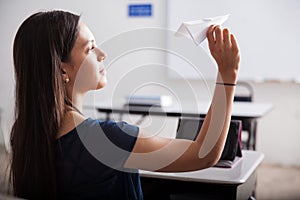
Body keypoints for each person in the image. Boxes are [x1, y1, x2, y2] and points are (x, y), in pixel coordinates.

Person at [9, 10, 240, 200]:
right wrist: (227, 73)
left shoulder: (23, 132)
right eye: (90, 48)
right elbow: (204, 154)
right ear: (62, 69)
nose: (102, 54)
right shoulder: (106, 139)